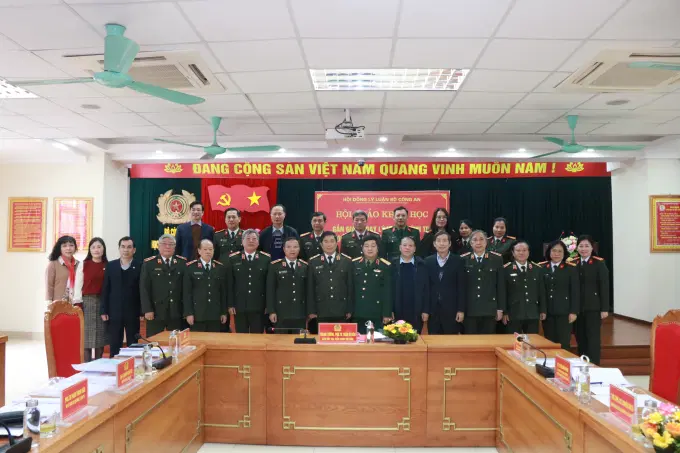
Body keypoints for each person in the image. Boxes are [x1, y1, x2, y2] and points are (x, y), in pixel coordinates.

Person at [100, 237, 142, 357]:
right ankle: (114, 366)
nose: (126, 250)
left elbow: (142, 290)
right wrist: (103, 310)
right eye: (123, 247)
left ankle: (134, 366)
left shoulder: (140, 266)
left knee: (133, 344)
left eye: (129, 247)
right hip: (114, 312)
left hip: (133, 312)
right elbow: (106, 289)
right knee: (114, 344)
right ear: (119, 249)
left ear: (134, 250)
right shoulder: (111, 266)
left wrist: (142, 311)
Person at [572, 235, 609, 365]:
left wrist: (605, 308)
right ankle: (583, 364)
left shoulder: (599, 263)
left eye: (587, 246)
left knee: (593, 339)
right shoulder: (573, 263)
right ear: (577, 248)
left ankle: (594, 365)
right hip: (577, 308)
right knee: (580, 338)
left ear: (592, 248)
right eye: (581, 246)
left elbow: (604, 286)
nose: (584, 249)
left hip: (593, 307)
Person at [140, 234, 187, 337]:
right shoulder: (149, 263)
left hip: (176, 311)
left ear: (175, 247)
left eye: (171, 244)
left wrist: (186, 311)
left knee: (176, 342)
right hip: (156, 311)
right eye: (164, 244)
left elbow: (186, 289)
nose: (167, 247)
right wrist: (147, 309)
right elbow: (144, 289)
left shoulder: (182, 263)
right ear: (158, 246)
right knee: (154, 342)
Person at [307, 232, 353, 332]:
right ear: (321, 244)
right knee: (322, 339)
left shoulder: (346, 261)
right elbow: (310, 288)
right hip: (321, 310)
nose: (329, 244)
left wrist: (349, 309)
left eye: (332, 241)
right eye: (326, 241)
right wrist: (311, 310)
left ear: (337, 243)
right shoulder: (313, 262)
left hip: (341, 309)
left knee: (341, 339)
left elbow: (350, 287)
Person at [461, 230, 506, 334]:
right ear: (470, 243)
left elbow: (501, 286)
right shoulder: (463, 259)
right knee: (470, 341)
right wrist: (461, 309)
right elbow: (461, 287)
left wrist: (500, 309)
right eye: (475, 240)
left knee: (488, 341)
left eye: (481, 239)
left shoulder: (496, 259)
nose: (478, 242)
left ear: (486, 242)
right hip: (470, 309)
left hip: (489, 309)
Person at [228, 229, 271, 333]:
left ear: (258, 242)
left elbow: (269, 285)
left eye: (254, 239)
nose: (251, 241)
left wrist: (268, 305)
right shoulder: (233, 259)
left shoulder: (266, 259)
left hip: (259, 305)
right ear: (242, 242)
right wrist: (230, 304)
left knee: (257, 336)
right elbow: (230, 284)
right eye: (248, 238)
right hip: (239, 305)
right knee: (241, 337)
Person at [424, 231, 466, 334]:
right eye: (438, 241)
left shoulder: (458, 261)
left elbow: (462, 287)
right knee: (433, 340)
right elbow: (425, 288)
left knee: (450, 341)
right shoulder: (427, 261)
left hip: (452, 310)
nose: (441, 243)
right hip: (433, 311)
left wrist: (461, 310)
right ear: (434, 244)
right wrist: (425, 310)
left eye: (444, 241)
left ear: (449, 243)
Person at [540, 240, 579, 350]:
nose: (556, 254)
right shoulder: (542, 268)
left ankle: (563, 361)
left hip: (564, 312)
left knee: (564, 343)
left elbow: (575, 292)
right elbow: (541, 291)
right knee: (549, 343)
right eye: (554, 251)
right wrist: (542, 310)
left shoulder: (571, 269)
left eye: (560, 251)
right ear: (549, 252)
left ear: (564, 253)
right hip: (548, 312)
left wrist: (574, 312)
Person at [73, 237, 108, 361]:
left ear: (103, 249)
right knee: (86, 339)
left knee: (100, 338)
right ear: (90, 250)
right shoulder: (84, 264)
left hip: (102, 304)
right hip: (86, 303)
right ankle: (86, 366)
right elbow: (78, 285)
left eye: (99, 247)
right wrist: (78, 304)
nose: (96, 250)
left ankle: (98, 364)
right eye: (93, 247)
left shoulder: (108, 265)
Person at [183, 239, 228, 332]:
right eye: (205, 249)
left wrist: (223, 312)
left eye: (210, 249)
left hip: (215, 314)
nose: (208, 252)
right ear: (199, 251)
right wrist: (188, 313)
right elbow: (187, 293)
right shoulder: (190, 267)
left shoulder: (220, 267)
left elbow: (223, 292)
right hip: (197, 314)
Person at [503, 241, 546, 335]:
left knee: (532, 341)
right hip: (513, 313)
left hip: (532, 312)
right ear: (513, 253)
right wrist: (504, 312)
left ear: (528, 252)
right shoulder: (506, 269)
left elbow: (541, 291)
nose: (521, 253)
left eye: (524, 250)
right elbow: (503, 292)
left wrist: (543, 310)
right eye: (518, 250)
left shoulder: (537, 269)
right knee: (513, 341)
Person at [351, 237, 392, 334]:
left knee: (376, 340)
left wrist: (387, 313)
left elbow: (388, 291)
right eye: (366, 246)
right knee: (358, 341)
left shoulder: (385, 266)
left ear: (378, 248)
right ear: (362, 248)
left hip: (376, 313)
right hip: (357, 312)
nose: (370, 249)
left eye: (373, 246)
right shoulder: (354, 264)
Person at [267, 237, 308, 332]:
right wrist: (271, 311)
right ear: (284, 249)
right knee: (280, 340)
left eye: (295, 247)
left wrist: (309, 312)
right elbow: (270, 290)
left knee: (299, 340)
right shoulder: (275, 266)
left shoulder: (305, 266)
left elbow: (308, 291)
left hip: (300, 313)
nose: (292, 250)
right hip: (281, 313)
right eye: (289, 247)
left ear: (299, 249)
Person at [391, 237, 429, 333]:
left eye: (410, 245)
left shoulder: (422, 265)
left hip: (416, 311)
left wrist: (425, 310)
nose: (407, 248)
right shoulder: (391, 265)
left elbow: (427, 289)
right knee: (397, 337)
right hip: (397, 310)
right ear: (400, 247)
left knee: (414, 338)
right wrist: (389, 310)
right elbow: (388, 290)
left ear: (415, 249)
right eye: (404, 245)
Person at [46, 235, 80, 304]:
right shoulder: (53, 264)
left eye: (71, 245)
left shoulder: (79, 264)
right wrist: (49, 302)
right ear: (60, 248)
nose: (68, 248)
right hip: (58, 303)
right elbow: (49, 285)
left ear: (75, 248)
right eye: (64, 246)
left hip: (75, 303)